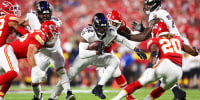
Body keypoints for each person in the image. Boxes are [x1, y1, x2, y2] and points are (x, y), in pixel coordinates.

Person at [67, 13, 146, 99]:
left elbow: (126, 38)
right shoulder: (97, 29)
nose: (115, 25)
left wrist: (137, 46)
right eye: (114, 23)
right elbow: (86, 44)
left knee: (117, 72)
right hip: (94, 53)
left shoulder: (115, 29)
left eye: (117, 24)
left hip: (107, 52)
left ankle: (127, 95)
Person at [111, 22, 199, 100]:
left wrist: (149, 67)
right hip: (178, 71)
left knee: (138, 84)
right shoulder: (178, 40)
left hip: (166, 64)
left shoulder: (157, 40)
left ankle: (115, 99)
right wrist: (195, 49)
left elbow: (154, 54)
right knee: (161, 89)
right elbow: (194, 52)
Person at [21, 1, 74, 100]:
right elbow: (21, 23)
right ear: (38, 13)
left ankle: (68, 92)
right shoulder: (32, 17)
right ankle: (38, 96)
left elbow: (51, 43)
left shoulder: (55, 22)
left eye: (47, 14)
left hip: (54, 50)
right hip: (42, 53)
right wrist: (22, 30)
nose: (45, 16)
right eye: (42, 14)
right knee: (34, 81)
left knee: (61, 70)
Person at [0, 20, 57, 100]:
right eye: (54, 33)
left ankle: (1, 96)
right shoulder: (40, 37)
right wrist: (38, 70)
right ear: (49, 31)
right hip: (8, 50)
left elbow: (45, 45)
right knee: (13, 72)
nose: (54, 36)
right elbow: (30, 53)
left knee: (11, 74)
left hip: (9, 52)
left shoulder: (40, 35)